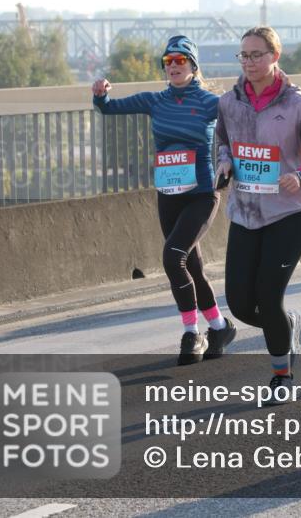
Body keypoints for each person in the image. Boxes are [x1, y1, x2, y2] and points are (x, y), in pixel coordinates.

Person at [92, 35, 234, 365]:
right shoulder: (155, 101)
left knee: (173, 258)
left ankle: (191, 333)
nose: (173, 66)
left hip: (202, 194)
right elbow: (109, 108)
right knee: (192, 266)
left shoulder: (210, 102)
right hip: (169, 195)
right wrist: (100, 94)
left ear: (193, 66)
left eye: (180, 60)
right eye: (168, 61)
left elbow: (242, 120)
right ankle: (219, 327)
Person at [214, 26, 301, 399]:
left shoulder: (298, 105)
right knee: (239, 304)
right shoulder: (228, 103)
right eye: (244, 55)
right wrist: (224, 162)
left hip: (289, 213)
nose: (249, 62)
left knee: (268, 297)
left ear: (275, 57)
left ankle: (281, 376)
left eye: (257, 54)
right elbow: (222, 142)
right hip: (245, 212)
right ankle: (286, 324)